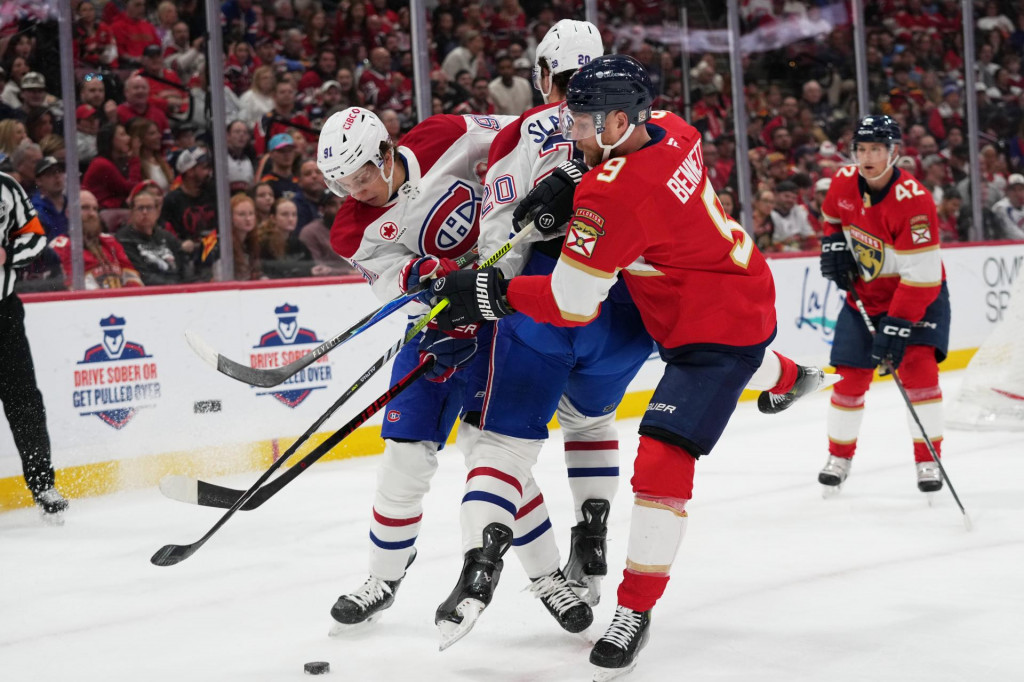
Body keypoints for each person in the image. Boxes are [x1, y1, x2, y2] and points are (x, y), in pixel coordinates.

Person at [427, 55, 780, 678]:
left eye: (584, 123)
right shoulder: (674, 128)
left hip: (714, 333)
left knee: (663, 455)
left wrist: (493, 294)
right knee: (740, 369)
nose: (574, 133)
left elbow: (570, 302)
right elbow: (622, 174)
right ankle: (790, 374)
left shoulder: (615, 194)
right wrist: (577, 167)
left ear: (620, 119)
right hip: (724, 296)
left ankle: (635, 611)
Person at [316, 106, 512, 632]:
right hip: (440, 325)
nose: (354, 191)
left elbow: (524, 134)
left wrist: (509, 180)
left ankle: (544, 579)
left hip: (506, 313)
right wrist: (424, 275)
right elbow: (392, 281)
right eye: (342, 183)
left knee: (495, 452)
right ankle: (383, 578)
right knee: (404, 456)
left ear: (385, 155)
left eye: (360, 177)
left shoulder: (445, 134)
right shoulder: (350, 231)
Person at [816, 114, 950, 496]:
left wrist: (898, 322)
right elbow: (831, 220)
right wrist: (835, 244)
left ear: (894, 152)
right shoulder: (842, 182)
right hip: (864, 295)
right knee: (848, 379)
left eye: (876, 148)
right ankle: (839, 457)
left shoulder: (916, 201)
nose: (867, 156)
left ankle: (929, 460)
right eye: (861, 148)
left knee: (920, 375)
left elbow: (923, 277)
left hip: (917, 298)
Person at [0, 169, 69, 520]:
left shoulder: (6, 186)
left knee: (24, 399)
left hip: (4, 312)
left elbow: (35, 236)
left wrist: (6, 253)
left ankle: (43, 483)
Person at [50, 190, 143, 289]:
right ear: (69, 213)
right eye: (85, 208)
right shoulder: (61, 246)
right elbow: (72, 288)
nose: (92, 214)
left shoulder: (110, 241)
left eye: (95, 209)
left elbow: (132, 278)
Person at [116, 183, 187, 285]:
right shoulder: (123, 240)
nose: (145, 212)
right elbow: (141, 276)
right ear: (131, 212)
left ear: (157, 212)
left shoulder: (168, 237)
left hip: (178, 290)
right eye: (140, 208)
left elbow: (185, 268)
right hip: (149, 293)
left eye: (149, 208)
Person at [30, 156, 67, 240]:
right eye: (50, 173)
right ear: (39, 181)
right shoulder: (35, 210)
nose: (57, 176)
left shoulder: (71, 204)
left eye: (60, 171)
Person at [990, 172, 1024, 240]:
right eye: (1013, 190)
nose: (1017, 193)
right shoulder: (1000, 208)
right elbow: (1011, 232)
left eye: (1020, 189)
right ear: (1007, 191)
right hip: (1005, 247)